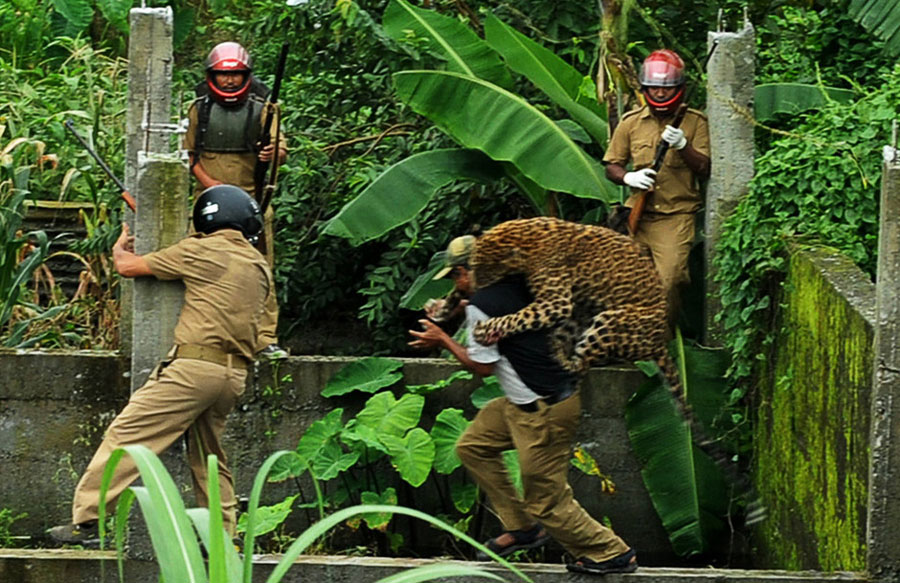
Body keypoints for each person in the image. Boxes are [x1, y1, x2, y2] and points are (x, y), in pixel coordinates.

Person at [49, 185, 273, 544]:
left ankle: (88, 521)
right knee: (209, 456)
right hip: (233, 375)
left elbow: (128, 267)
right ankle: (224, 535)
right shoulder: (258, 264)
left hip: (193, 369)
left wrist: (120, 247)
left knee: (128, 436)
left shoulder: (199, 249)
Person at [408, 235, 637, 575]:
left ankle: (611, 553)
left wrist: (441, 338)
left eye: (456, 276)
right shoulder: (523, 282)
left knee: (546, 501)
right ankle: (522, 528)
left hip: (542, 412)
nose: (456, 285)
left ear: (469, 271)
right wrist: (452, 312)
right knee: (473, 446)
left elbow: (482, 367)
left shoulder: (483, 307)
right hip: (525, 402)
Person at [183, 41, 288, 359]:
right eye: (223, 75)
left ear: (246, 76)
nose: (230, 81)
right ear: (211, 75)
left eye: (237, 75)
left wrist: (272, 154)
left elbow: (280, 151)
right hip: (208, 203)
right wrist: (211, 185)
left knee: (260, 271)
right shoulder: (199, 109)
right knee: (199, 268)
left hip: (252, 203)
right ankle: (202, 337)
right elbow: (188, 156)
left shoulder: (265, 110)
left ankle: (264, 339)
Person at [603, 49, 710, 326]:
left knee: (670, 280)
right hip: (636, 215)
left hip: (675, 217)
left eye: (667, 88)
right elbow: (611, 165)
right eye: (654, 88)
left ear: (679, 88)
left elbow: (705, 167)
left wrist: (684, 146)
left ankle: (660, 339)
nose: (660, 94)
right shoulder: (631, 122)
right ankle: (625, 340)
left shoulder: (695, 122)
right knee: (622, 283)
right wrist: (628, 178)